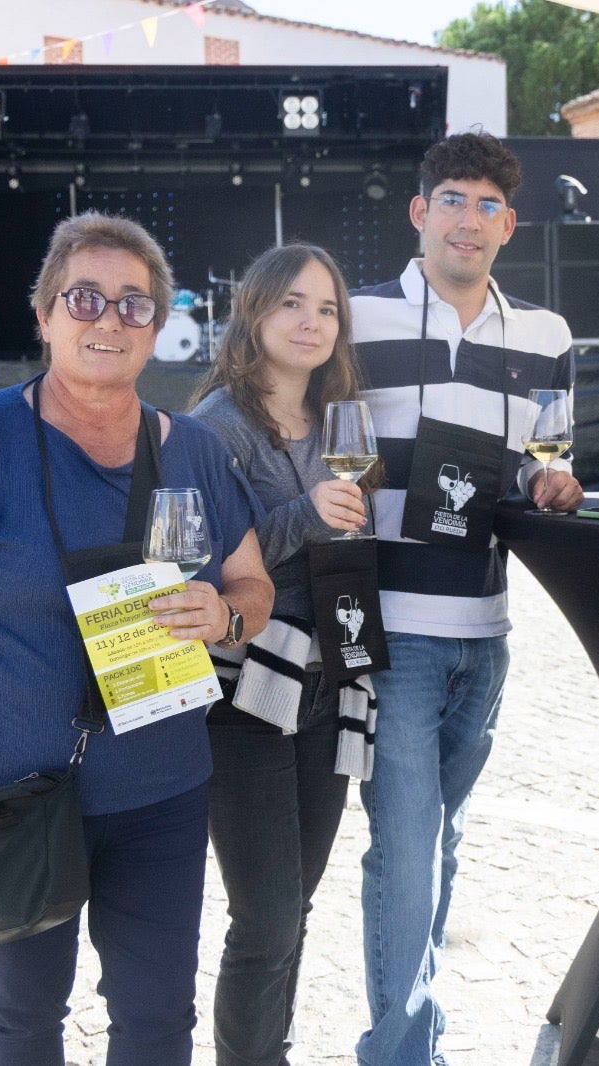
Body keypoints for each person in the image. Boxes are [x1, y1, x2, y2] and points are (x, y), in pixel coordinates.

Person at [0, 212, 274, 1065]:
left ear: (157, 328)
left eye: (134, 304)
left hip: (158, 796)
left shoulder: (194, 452)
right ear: (43, 315)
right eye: (85, 297)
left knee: (157, 1022)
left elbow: (253, 586)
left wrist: (224, 616)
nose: (109, 319)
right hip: (1, 801)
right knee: (21, 1016)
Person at [348, 130, 584, 1065]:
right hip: (393, 632)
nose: (469, 219)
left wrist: (553, 484)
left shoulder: (547, 336)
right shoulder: (355, 319)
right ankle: (402, 1054)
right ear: (419, 211)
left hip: (487, 633)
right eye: (452, 199)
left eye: (488, 205)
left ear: (510, 225)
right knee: (405, 853)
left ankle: (420, 1036)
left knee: (439, 847)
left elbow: (552, 466)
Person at [189, 242, 372, 1065]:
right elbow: (198, 566)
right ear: (254, 313)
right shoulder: (213, 427)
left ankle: (272, 1049)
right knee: (262, 915)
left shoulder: (340, 418)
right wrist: (308, 513)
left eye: (327, 308)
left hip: (332, 681)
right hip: (247, 695)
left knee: (294, 906)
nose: (311, 321)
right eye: (293, 303)